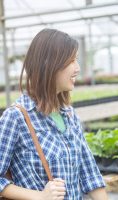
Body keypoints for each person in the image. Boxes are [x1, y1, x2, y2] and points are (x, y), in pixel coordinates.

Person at [0, 29, 108, 200]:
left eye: (76, 60)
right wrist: (40, 196)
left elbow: (90, 174)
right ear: (49, 64)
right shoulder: (16, 117)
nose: (77, 68)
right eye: (71, 61)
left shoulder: (70, 115)